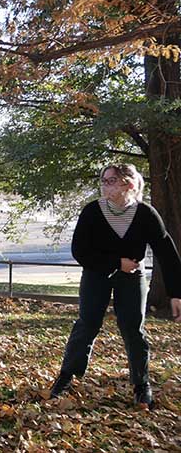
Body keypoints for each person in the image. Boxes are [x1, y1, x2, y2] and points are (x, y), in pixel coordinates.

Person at [49, 163, 181, 408]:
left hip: (132, 278)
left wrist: (176, 293)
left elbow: (167, 253)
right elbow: (80, 251)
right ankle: (66, 377)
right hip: (96, 275)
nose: (104, 185)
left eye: (110, 181)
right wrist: (115, 263)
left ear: (128, 184)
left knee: (133, 328)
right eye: (103, 180)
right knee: (87, 324)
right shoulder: (92, 211)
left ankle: (142, 385)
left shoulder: (145, 214)